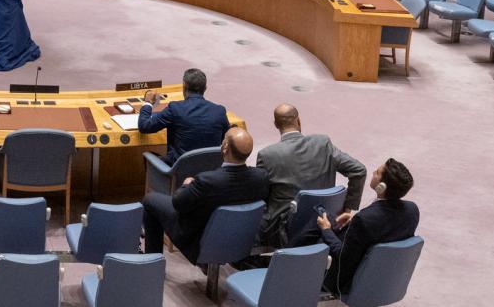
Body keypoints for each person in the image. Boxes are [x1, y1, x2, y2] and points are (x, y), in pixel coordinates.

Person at [291, 159, 419, 299]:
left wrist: (326, 229)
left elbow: (342, 256)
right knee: (328, 217)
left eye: (377, 172)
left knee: (317, 222)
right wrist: (355, 219)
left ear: (381, 187)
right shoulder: (412, 210)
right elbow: (385, 227)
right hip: (380, 275)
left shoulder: (364, 219)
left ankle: (289, 264)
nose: (373, 172)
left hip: (344, 280)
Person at [141, 127, 269, 262]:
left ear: (225, 148)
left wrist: (186, 185)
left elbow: (178, 203)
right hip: (240, 239)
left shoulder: (207, 181)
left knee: (150, 200)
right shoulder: (261, 177)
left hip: (200, 240)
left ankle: (152, 263)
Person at [255, 104, 367, 249]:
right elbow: (359, 171)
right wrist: (347, 209)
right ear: (298, 120)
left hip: (285, 229)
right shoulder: (322, 143)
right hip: (323, 219)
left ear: (276, 124)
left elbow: (261, 194)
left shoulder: (266, 155)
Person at [137, 68, 231, 165]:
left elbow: (144, 126)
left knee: (149, 156)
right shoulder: (219, 111)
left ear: (184, 86)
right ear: (205, 88)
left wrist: (148, 103)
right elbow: (228, 140)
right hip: (210, 170)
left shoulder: (175, 109)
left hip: (180, 169)